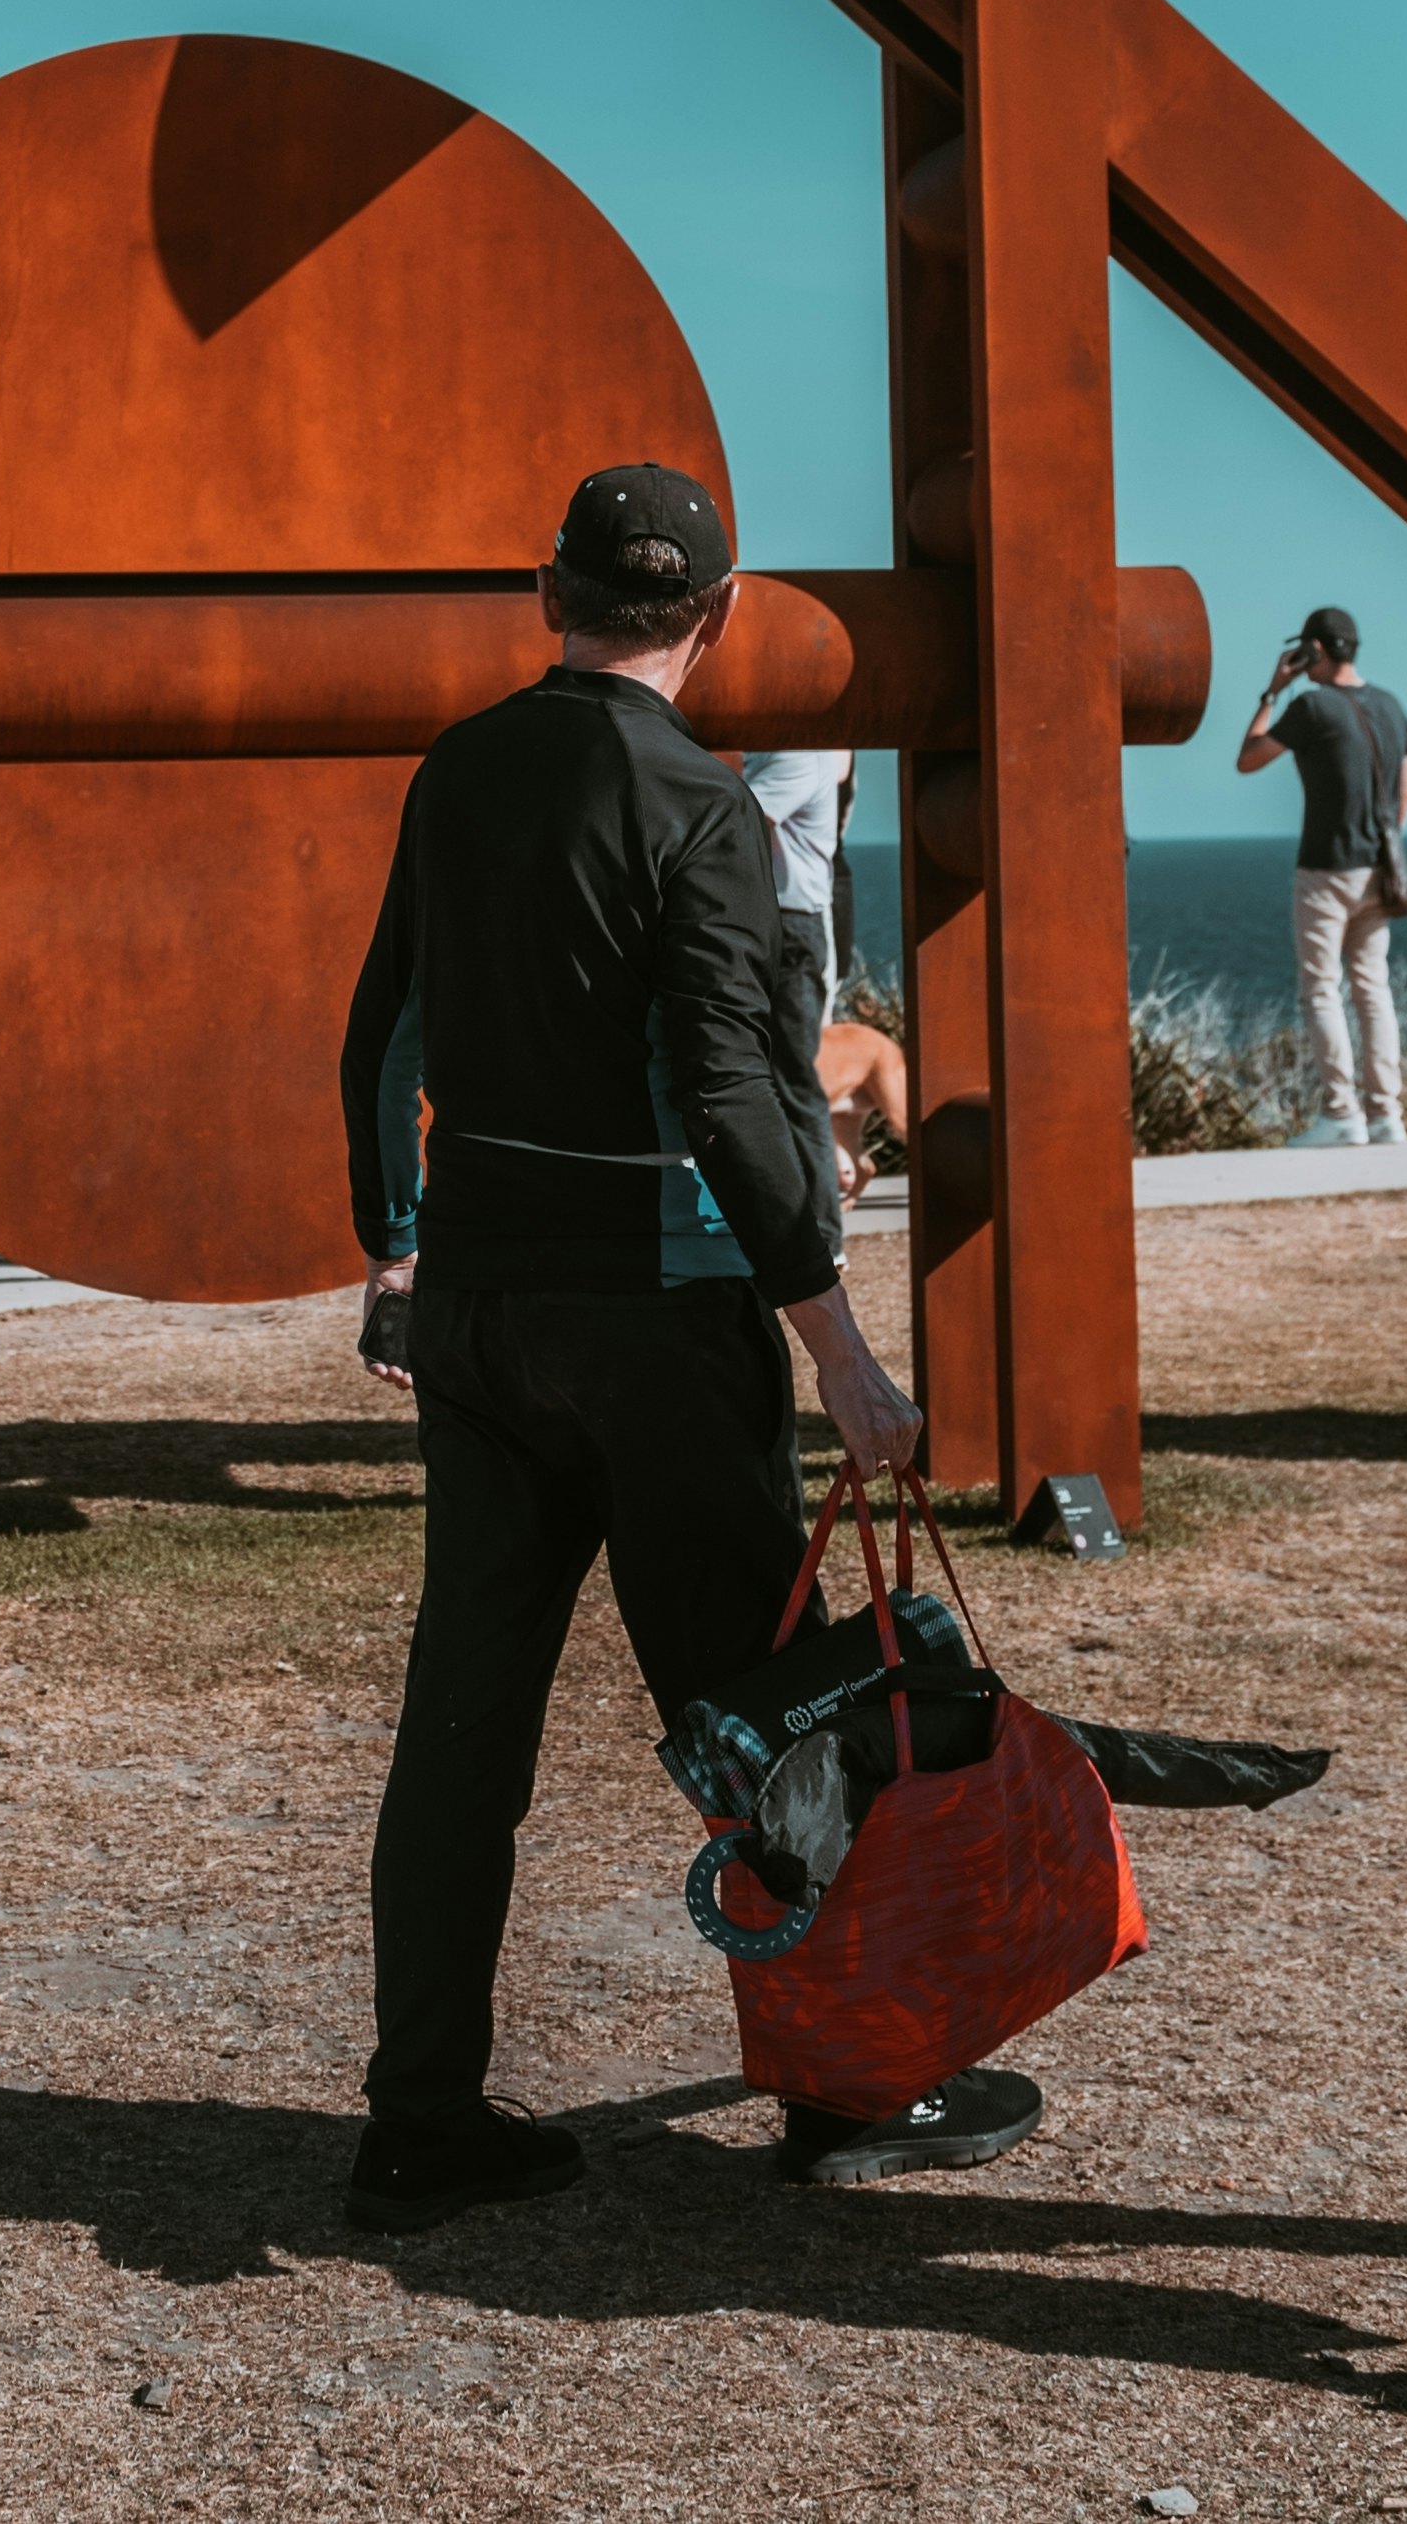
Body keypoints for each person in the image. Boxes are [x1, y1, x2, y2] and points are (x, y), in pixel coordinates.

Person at [333, 462, 989, 2234]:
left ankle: (418, 2113)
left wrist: (389, 1246)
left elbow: (376, 1028)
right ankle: (854, 2084)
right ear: (712, 618)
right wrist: (841, 1352)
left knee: (459, 1723)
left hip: (474, 1301)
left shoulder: (457, 767)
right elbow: (732, 1094)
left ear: (546, 591)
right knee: (765, 1710)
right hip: (653, 1317)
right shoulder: (704, 809)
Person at [1233, 606, 1407, 1144]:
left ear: (1314, 649)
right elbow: (1406, 795)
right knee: (1372, 990)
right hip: (1380, 870)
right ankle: (1387, 1116)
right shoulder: (1393, 708)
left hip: (1325, 868)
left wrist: (1272, 691)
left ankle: (1341, 1115)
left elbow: (1248, 758)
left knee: (1320, 991)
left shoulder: (1311, 706)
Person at [741, 745, 854, 1067]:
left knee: (800, 1055)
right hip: (778, 904)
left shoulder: (804, 757)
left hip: (798, 904)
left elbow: (736, 817)